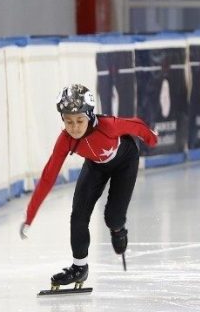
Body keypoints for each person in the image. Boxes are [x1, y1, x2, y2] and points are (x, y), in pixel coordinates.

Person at [19, 83, 158, 289]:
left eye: (79, 121)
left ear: (90, 115)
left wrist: (152, 139)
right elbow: (48, 177)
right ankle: (79, 268)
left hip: (125, 161)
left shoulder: (108, 126)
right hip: (96, 165)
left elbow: (135, 125)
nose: (74, 127)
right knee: (78, 214)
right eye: (68, 121)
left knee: (112, 217)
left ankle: (118, 229)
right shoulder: (65, 140)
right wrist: (30, 216)